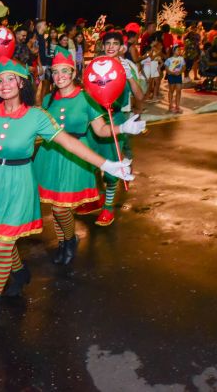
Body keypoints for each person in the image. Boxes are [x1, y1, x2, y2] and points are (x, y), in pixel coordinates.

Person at [0, 58, 132, 329]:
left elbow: (70, 143)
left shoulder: (36, 116)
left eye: (11, 79)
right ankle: (20, 272)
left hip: (18, 182)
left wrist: (106, 164)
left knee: (1, 242)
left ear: (22, 82)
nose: (4, 85)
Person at [34, 51, 144, 271]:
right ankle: (64, 242)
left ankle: (70, 239)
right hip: (50, 155)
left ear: (74, 72)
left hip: (75, 157)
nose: (59, 76)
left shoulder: (87, 98)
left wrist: (123, 127)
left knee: (60, 208)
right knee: (56, 206)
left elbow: (102, 130)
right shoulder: (48, 99)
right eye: (55, 72)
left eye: (64, 71)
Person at [86, 31, 145, 226]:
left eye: (115, 43)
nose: (111, 46)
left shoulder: (128, 66)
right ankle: (101, 194)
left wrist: (129, 76)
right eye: (107, 43)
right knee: (92, 162)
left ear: (122, 47)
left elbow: (140, 95)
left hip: (116, 118)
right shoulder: (94, 65)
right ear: (103, 46)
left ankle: (108, 207)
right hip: (94, 117)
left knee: (113, 165)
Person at [163, 45, 186, 113]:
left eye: (180, 50)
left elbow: (184, 67)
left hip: (178, 76)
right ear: (173, 51)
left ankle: (177, 106)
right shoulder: (169, 60)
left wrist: (180, 72)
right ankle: (170, 105)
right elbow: (166, 69)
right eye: (178, 50)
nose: (179, 51)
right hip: (171, 76)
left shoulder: (181, 59)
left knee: (178, 91)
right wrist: (172, 73)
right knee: (171, 90)